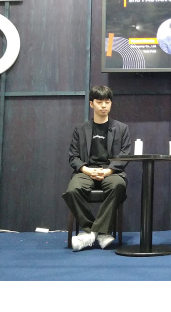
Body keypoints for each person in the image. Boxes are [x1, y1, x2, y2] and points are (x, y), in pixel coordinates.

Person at [62, 85, 131, 252]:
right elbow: (73, 157)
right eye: (99, 102)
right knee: (72, 191)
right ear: (91, 104)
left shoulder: (122, 128)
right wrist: (86, 170)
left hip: (111, 171)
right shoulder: (80, 129)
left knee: (118, 186)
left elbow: (125, 154)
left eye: (107, 102)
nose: (104, 106)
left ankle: (90, 234)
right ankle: (98, 232)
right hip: (87, 171)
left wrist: (108, 170)